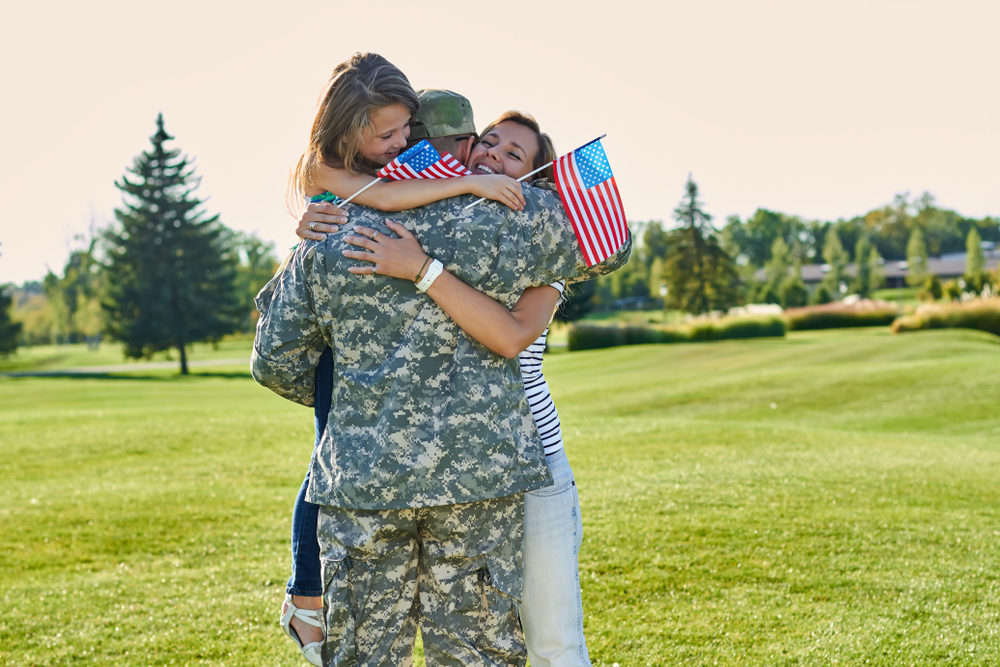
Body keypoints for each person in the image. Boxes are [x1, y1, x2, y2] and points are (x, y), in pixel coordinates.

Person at [253, 53, 631, 666]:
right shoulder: (520, 223)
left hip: (369, 482)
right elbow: (611, 241)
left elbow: (273, 359)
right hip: (481, 479)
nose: (482, 158)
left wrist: (355, 396)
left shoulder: (332, 231)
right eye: (478, 144)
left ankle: (305, 598)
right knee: (475, 654)